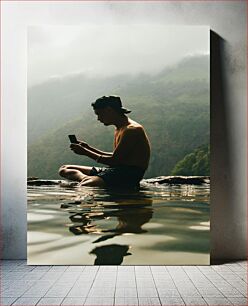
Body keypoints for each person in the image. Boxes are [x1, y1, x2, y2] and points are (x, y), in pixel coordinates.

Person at [59, 95, 151, 188]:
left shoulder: (131, 130)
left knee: (86, 185)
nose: (98, 118)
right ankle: (88, 178)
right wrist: (88, 148)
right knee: (64, 169)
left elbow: (114, 161)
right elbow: (117, 156)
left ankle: (90, 180)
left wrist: (85, 152)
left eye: (99, 114)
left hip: (127, 175)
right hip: (115, 170)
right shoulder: (120, 128)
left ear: (109, 110)